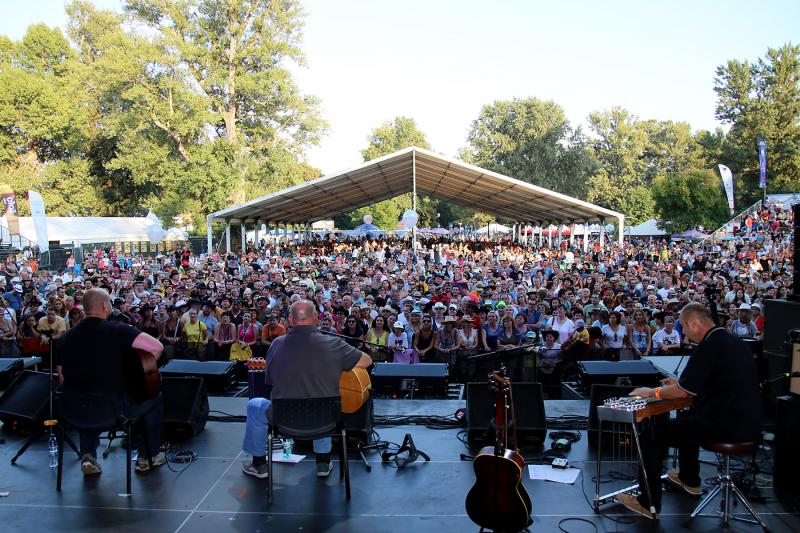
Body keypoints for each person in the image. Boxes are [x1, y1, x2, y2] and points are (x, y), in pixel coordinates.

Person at [619, 303, 762, 519]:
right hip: (748, 423)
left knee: (648, 437)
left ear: (693, 323)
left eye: (684, 328)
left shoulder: (708, 346)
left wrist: (653, 392)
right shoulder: (735, 342)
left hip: (723, 426)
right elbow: (712, 383)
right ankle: (689, 479)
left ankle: (648, 504)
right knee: (687, 417)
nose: (683, 333)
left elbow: (682, 393)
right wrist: (679, 383)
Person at [241, 300, 372, 478]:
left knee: (255, 405)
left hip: (284, 419)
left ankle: (259, 465)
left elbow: (269, 380)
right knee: (322, 398)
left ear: (289, 319)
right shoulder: (334, 344)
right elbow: (367, 360)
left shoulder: (277, 344)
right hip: (326, 420)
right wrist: (338, 368)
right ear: (316, 318)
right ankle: (323, 462)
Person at [57, 288, 166, 475]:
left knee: (86, 398)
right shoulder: (119, 330)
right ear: (106, 306)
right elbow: (157, 348)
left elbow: (61, 375)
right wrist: (135, 373)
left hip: (74, 411)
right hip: (115, 411)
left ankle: (88, 454)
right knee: (154, 396)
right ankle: (147, 456)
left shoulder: (68, 336)